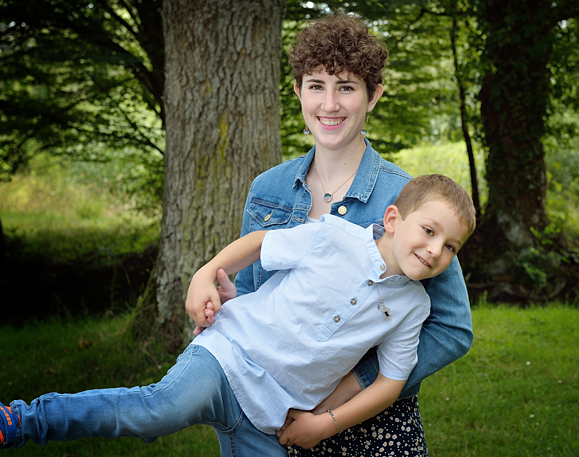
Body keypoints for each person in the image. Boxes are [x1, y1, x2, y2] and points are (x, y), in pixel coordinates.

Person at [0, 174, 476, 455]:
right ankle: (23, 420)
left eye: (450, 245)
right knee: (156, 411)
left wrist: (325, 424)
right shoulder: (335, 236)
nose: (435, 250)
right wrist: (209, 272)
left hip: (272, 414)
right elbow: (261, 244)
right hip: (228, 356)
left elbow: (390, 383)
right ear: (393, 219)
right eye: (429, 231)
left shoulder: (414, 306)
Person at [190, 12, 474, 456]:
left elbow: (452, 328)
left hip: (369, 426)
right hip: (270, 413)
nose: (329, 104)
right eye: (316, 85)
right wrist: (217, 301)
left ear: (373, 95)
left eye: (346, 87)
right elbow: (247, 291)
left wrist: (341, 396)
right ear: (299, 91)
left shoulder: (407, 201)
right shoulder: (269, 189)